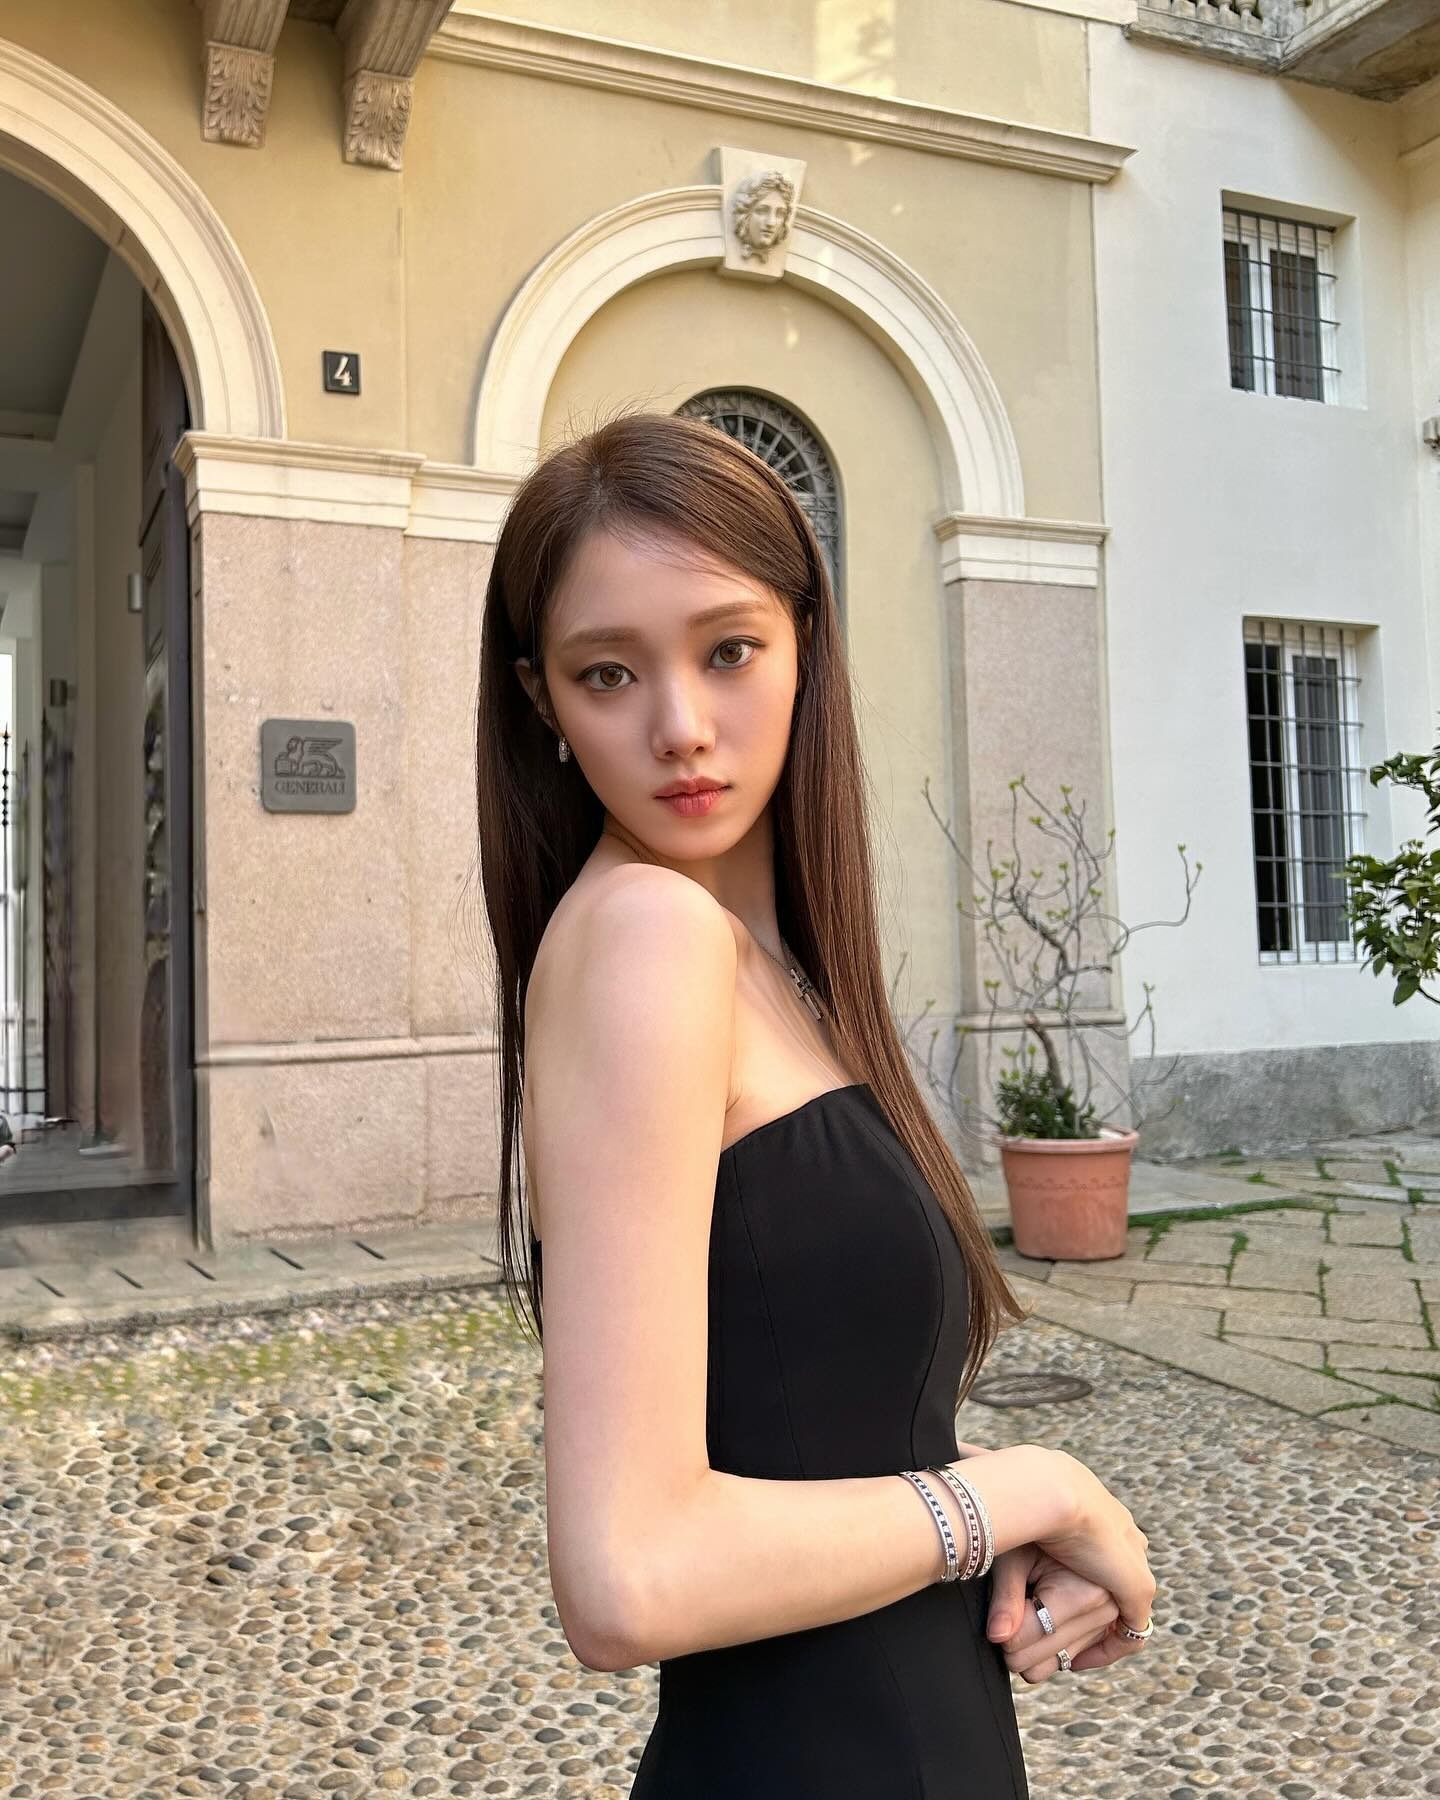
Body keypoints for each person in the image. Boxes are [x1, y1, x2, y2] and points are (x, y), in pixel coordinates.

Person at [474, 409, 1157, 1797]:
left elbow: (811, 1429)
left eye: (728, 651)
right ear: (544, 702)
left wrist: (978, 1504)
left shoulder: (770, 960)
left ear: (804, 640)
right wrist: (1026, 1490)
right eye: (608, 674)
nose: (681, 729)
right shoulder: (650, 940)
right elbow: (625, 1576)